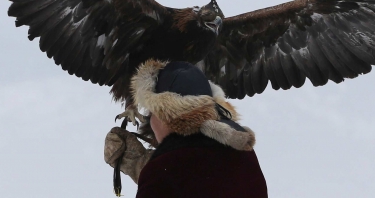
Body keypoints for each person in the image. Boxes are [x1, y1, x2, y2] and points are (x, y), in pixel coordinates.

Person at [104, 60, 268, 197]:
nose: (151, 122)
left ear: (166, 115)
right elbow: (202, 179)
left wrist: (152, 171)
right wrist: (144, 165)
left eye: (151, 112)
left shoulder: (162, 172)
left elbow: (186, 178)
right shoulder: (244, 155)